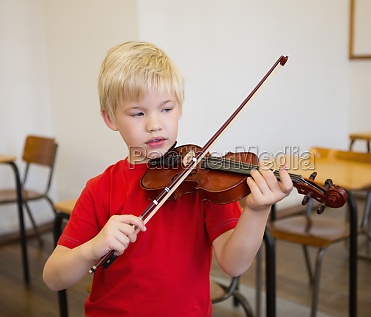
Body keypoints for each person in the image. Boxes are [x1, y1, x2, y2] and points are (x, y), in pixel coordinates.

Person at [43, 41, 292, 316]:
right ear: (110, 118)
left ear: (180, 108)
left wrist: (257, 211)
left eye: (166, 109)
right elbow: (53, 277)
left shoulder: (203, 181)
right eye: (138, 113)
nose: (154, 124)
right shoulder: (100, 188)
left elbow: (234, 264)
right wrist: (93, 247)